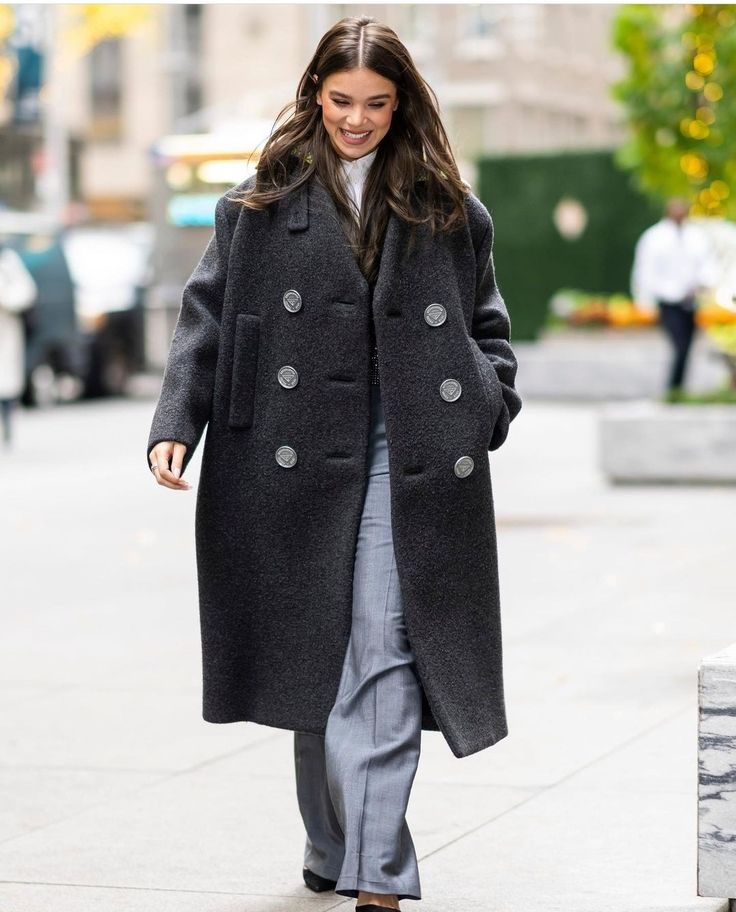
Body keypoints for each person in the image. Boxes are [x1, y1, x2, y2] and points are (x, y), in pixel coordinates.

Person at [146, 15, 521, 911]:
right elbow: (207, 318)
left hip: (411, 457)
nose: (358, 119)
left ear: (404, 104)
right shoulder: (259, 206)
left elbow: (489, 331)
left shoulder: (447, 208)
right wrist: (177, 419)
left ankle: (379, 879)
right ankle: (332, 841)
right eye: (343, 100)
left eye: (378, 104)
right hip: (292, 460)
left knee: (385, 652)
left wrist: (484, 400)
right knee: (316, 663)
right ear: (317, 93)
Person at [631, 196, 717, 400]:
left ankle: (677, 389)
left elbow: (706, 264)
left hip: (689, 300)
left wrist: (705, 284)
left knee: (686, 346)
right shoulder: (654, 237)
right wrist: (645, 301)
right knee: (679, 344)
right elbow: (645, 270)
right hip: (667, 301)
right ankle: (673, 388)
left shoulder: (696, 236)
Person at [0, 239, 37, 448]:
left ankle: (6, 424)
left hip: (6, 328)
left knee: (5, 382)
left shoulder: (8, 260)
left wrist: (5, 298)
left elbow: (25, 291)